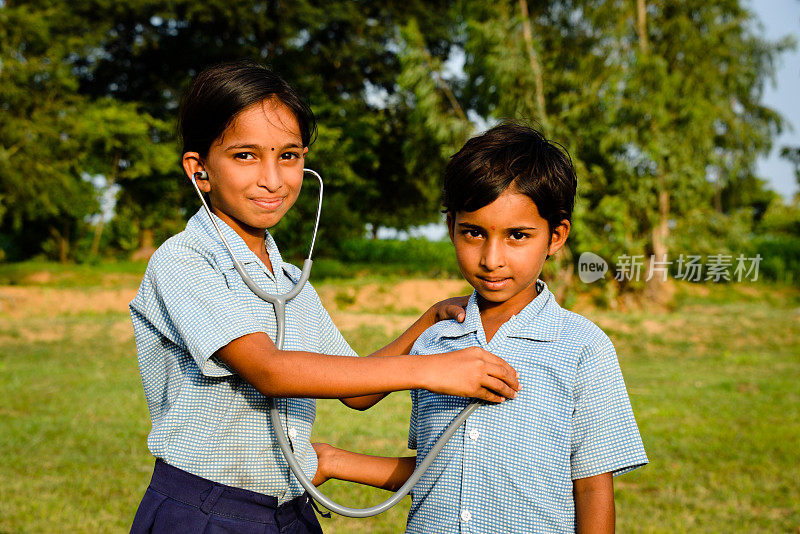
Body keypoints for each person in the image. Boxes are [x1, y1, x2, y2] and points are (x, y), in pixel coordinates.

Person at [128, 60, 521, 534]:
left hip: (290, 508)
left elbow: (357, 392)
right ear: (201, 170)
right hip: (203, 510)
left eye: (288, 156)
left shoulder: (290, 280)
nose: (272, 179)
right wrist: (431, 369)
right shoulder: (184, 261)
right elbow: (269, 371)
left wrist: (427, 323)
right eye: (246, 156)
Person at [313, 124, 649, 533]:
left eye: (517, 236)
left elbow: (593, 490)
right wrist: (335, 461)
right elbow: (436, 470)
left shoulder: (582, 347)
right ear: (452, 226)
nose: (492, 258)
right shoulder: (436, 340)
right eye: (473, 233)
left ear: (556, 236)